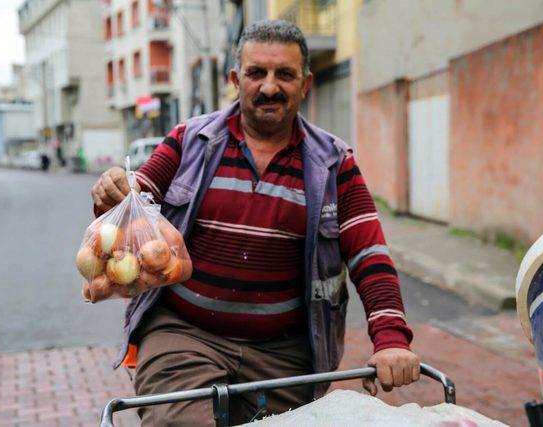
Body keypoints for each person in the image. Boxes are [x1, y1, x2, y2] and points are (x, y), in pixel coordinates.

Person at [91, 19, 420, 426]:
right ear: (235, 79)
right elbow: (133, 203)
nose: (269, 87)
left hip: (286, 354)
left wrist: (390, 340)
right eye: (256, 73)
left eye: (284, 74)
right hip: (184, 335)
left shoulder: (335, 165)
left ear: (305, 84)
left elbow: (370, 256)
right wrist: (114, 196)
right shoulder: (187, 141)